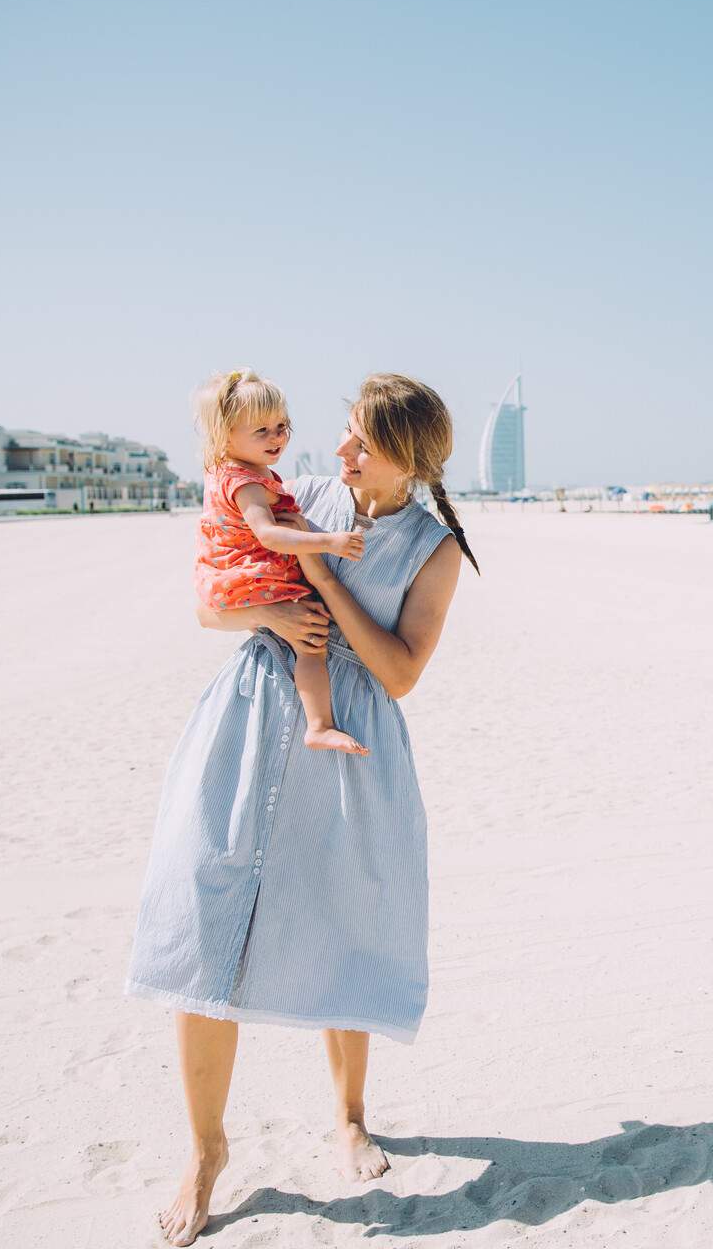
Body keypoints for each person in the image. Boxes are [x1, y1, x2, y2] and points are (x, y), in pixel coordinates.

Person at [128, 372, 479, 1247]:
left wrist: (320, 574)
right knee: (207, 912)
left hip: (353, 738)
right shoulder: (296, 493)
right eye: (346, 434)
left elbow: (399, 672)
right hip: (250, 715)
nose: (341, 451)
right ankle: (207, 1151)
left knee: (346, 922)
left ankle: (350, 1116)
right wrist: (279, 610)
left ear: (408, 456)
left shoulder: (435, 549)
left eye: (360, 440)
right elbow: (212, 604)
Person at [191, 369, 370, 757]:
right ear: (225, 435)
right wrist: (329, 541)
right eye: (262, 431)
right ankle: (319, 724)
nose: (277, 438)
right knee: (311, 641)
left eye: (282, 426)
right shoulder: (247, 483)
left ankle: (318, 725)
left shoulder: (241, 472)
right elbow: (268, 535)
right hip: (254, 573)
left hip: (235, 571)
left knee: (305, 637)